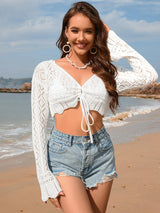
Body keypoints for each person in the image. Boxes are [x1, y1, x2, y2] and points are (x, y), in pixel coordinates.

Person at [31, 1, 158, 213]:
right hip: (63, 155)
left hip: (101, 153)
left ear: (97, 34)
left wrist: (112, 37)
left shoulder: (106, 72)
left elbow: (149, 74)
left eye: (89, 31)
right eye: (75, 30)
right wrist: (43, 176)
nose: (81, 38)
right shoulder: (46, 70)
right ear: (65, 32)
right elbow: (38, 125)